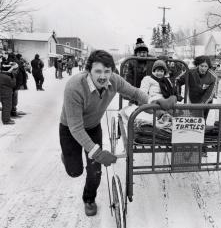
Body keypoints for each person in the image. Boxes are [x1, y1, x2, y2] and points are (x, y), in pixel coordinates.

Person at [59, 50, 176, 216]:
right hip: (70, 128)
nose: (103, 76)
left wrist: (153, 102)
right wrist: (97, 152)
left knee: (95, 171)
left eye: (107, 71)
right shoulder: (74, 87)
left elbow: (135, 92)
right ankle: (68, 156)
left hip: (92, 127)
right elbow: (76, 128)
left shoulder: (113, 80)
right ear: (88, 71)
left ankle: (89, 199)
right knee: (74, 171)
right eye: (98, 71)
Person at [0, 55, 17, 125]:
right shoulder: (7, 77)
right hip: (6, 94)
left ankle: (6, 119)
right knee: (7, 106)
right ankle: (6, 120)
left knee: (5, 106)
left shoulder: (1, 75)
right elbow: (13, 84)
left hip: (2, 93)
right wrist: (13, 77)